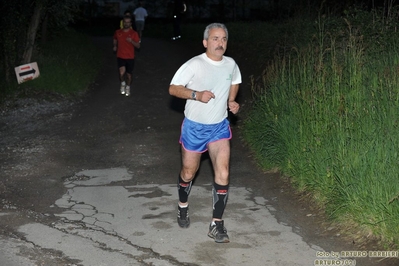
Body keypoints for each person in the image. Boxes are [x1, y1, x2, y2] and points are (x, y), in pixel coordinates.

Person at [168, 23, 241, 243]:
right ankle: (182, 206)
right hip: (194, 127)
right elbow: (173, 88)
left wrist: (231, 101)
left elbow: (235, 80)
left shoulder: (230, 64)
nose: (220, 43)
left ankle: (216, 224)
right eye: (215, 39)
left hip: (218, 127)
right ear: (205, 42)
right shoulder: (195, 64)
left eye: (224, 39)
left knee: (224, 172)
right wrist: (195, 94)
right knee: (189, 173)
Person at [113, 16, 141, 97]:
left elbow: (138, 46)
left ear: (130, 23)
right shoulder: (118, 32)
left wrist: (131, 41)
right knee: (121, 73)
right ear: (123, 22)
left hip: (130, 57)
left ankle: (128, 87)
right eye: (125, 22)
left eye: (128, 22)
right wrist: (115, 45)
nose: (126, 24)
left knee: (129, 75)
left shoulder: (134, 33)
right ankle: (122, 84)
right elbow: (115, 38)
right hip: (120, 56)